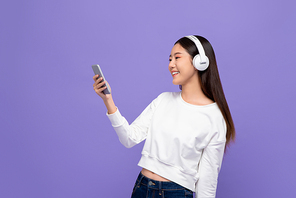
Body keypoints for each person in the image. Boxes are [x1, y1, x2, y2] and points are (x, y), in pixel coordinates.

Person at [92, 35, 235, 198]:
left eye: (177, 58)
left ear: (199, 62)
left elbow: (207, 183)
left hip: (176, 193)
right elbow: (129, 139)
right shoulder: (163, 100)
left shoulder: (214, 117)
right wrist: (108, 100)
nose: (171, 65)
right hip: (141, 187)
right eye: (169, 59)